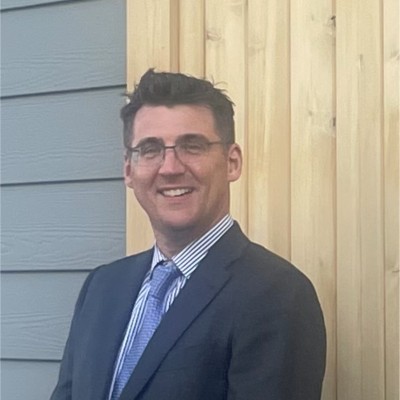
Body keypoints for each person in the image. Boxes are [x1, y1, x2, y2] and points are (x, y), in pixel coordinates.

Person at [50, 69, 326, 400]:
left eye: (192, 146)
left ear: (232, 162)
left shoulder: (277, 295)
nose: (170, 168)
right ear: (129, 170)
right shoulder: (101, 288)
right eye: (150, 149)